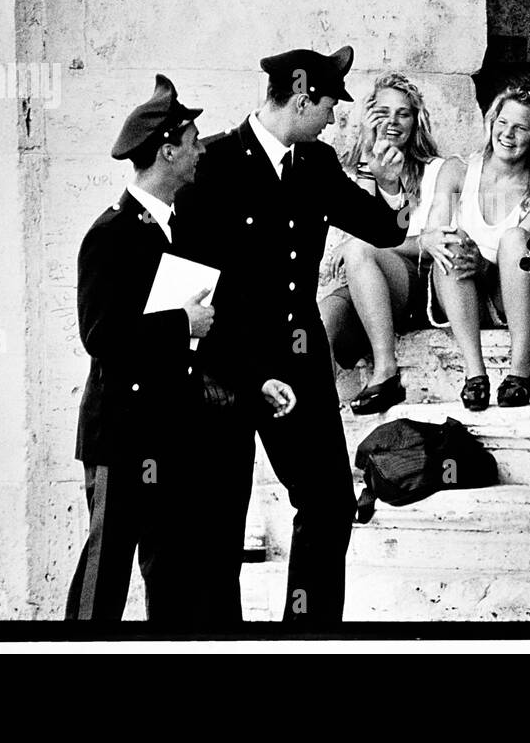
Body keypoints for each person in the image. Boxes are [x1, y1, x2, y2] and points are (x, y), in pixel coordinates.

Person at [177, 45, 407, 626]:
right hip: (227, 365)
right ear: (303, 98)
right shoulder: (214, 162)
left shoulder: (317, 165)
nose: (333, 117)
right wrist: (207, 368)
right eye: (329, 105)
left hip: (298, 358)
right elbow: (186, 275)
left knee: (329, 501)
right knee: (219, 518)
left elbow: (380, 227)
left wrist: (386, 183)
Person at [65, 74, 215, 622]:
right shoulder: (111, 234)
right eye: (194, 142)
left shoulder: (175, 226)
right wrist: (184, 324)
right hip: (120, 436)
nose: (201, 152)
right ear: (168, 149)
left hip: (169, 432)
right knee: (104, 576)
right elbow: (101, 337)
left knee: (170, 576)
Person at [420, 84, 530, 410]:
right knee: (451, 238)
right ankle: (476, 375)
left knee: (514, 238)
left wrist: (484, 266)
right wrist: (429, 238)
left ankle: (520, 372)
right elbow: (434, 228)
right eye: (502, 123)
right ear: (492, 122)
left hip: (511, 297)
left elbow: (520, 253)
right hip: (461, 294)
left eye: (520, 128)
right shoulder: (457, 171)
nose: (508, 134)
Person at [319, 71, 450, 415]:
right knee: (321, 323)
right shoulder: (347, 172)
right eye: (383, 112)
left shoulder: (435, 171)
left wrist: (358, 247)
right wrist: (368, 163)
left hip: (413, 284)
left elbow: (433, 242)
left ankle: (386, 370)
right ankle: (318, 413)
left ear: (416, 120)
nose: (393, 122)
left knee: (360, 249)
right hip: (358, 283)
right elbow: (357, 225)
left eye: (403, 113)